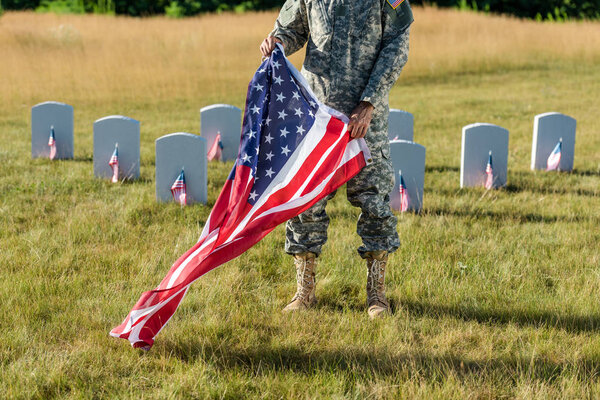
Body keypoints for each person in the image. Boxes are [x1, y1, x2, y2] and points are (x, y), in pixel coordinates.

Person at [260, 0, 413, 318]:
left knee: (375, 204)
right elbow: (292, 29)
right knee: (306, 203)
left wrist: (369, 101)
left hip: (365, 120)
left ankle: (377, 295)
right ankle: (304, 292)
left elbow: (396, 45)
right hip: (317, 116)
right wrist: (277, 41)